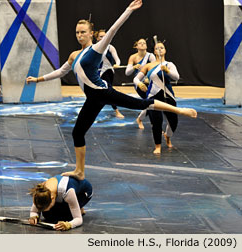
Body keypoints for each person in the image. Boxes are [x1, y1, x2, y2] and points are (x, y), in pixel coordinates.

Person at [26, 0, 196, 180]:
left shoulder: (97, 48)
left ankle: (179, 110)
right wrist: (38, 79)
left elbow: (113, 30)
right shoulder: (74, 55)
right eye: (77, 32)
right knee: (77, 132)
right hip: (92, 99)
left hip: (103, 92)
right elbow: (62, 71)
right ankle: (80, 171)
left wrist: (128, 10)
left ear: (91, 34)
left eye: (83, 32)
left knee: (142, 104)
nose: (79, 35)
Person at [133, 41, 179, 155]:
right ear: (154, 51)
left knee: (173, 121)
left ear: (165, 50)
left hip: (168, 95)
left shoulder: (169, 64)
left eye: (161, 48)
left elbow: (176, 77)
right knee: (156, 122)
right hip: (153, 96)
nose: (159, 49)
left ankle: (167, 136)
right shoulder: (149, 66)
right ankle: (157, 145)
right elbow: (136, 78)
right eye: (157, 48)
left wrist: (167, 71)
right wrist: (139, 84)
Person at [126, 38, 155, 129]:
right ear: (136, 46)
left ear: (146, 46)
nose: (142, 44)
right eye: (140, 43)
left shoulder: (150, 56)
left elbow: (154, 69)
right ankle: (154, 125)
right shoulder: (133, 57)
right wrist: (134, 66)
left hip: (150, 83)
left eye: (144, 43)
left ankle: (141, 119)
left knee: (151, 103)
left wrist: (148, 78)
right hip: (138, 83)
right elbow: (127, 72)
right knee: (151, 103)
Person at [95, 29, 124, 118]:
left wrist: (117, 64)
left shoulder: (110, 47)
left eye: (105, 36)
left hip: (108, 71)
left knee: (106, 90)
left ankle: (115, 110)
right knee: (103, 90)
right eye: (101, 36)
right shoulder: (94, 47)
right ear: (96, 38)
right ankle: (115, 110)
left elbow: (117, 59)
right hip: (98, 72)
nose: (103, 38)